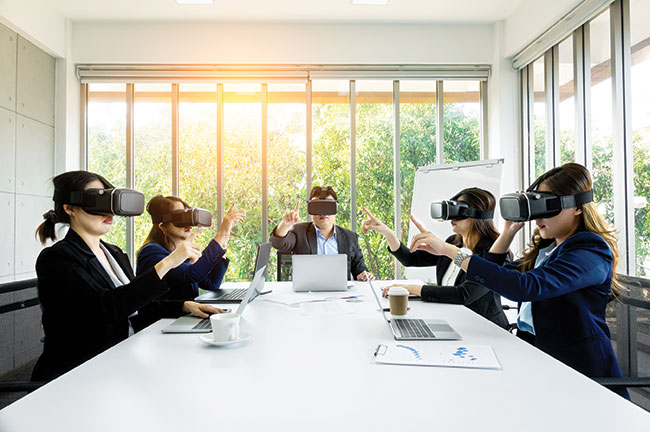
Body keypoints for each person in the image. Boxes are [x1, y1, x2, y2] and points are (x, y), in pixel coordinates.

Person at [407, 163, 628, 398]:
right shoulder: (549, 249)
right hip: (534, 356)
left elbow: (525, 288)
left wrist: (450, 251)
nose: (538, 218)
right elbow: (495, 274)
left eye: (546, 206)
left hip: (580, 375)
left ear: (576, 207)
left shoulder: (590, 250)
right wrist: (508, 232)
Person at [32, 171, 222, 382]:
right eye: (98, 201)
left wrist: (184, 306)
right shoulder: (56, 259)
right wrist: (168, 262)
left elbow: (136, 307)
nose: (108, 213)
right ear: (69, 208)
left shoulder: (114, 253)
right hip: (79, 373)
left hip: (123, 357)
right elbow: (109, 308)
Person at [361, 188, 509, 329]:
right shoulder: (453, 242)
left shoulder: (495, 251)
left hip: (486, 328)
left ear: (476, 214)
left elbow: (464, 294)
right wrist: (388, 234)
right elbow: (410, 259)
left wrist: (410, 288)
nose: (451, 218)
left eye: (458, 211)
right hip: (455, 322)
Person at [134, 195, 245, 331]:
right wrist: (221, 234)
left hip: (181, 321)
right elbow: (191, 275)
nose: (188, 225)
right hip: (157, 326)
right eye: (179, 218)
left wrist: (224, 239)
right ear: (162, 226)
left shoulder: (181, 251)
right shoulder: (151, 253)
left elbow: (211, 283)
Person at [270, 186, 373, 281]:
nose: (323, 212)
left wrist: (363, 275)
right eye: (318, 206)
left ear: (335, 209)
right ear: (310, 210)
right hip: (307, 294)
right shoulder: (299, 231)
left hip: (340, 296)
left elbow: (360, 269)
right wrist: (285, 224)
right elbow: (278, 243)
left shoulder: (349, 237)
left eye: (328, 205)